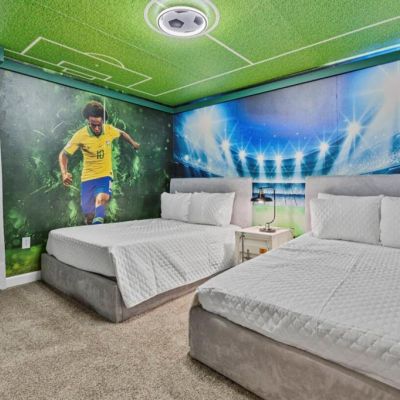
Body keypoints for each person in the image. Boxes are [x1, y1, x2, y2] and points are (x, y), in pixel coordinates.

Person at [59, 100, 140, 225]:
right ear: (88, 121)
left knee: (101, 199)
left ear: (103, 121)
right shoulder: (80, 135)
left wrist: (133, 143)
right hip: (87, 178)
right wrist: (64, 173)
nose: (97, 128)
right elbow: (64, 154)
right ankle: (91, 229)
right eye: (93, 125)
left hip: (105, 175)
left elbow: (122, 133)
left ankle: (98, 231)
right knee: (89, 216)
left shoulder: (109, 130)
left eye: (99, 124)